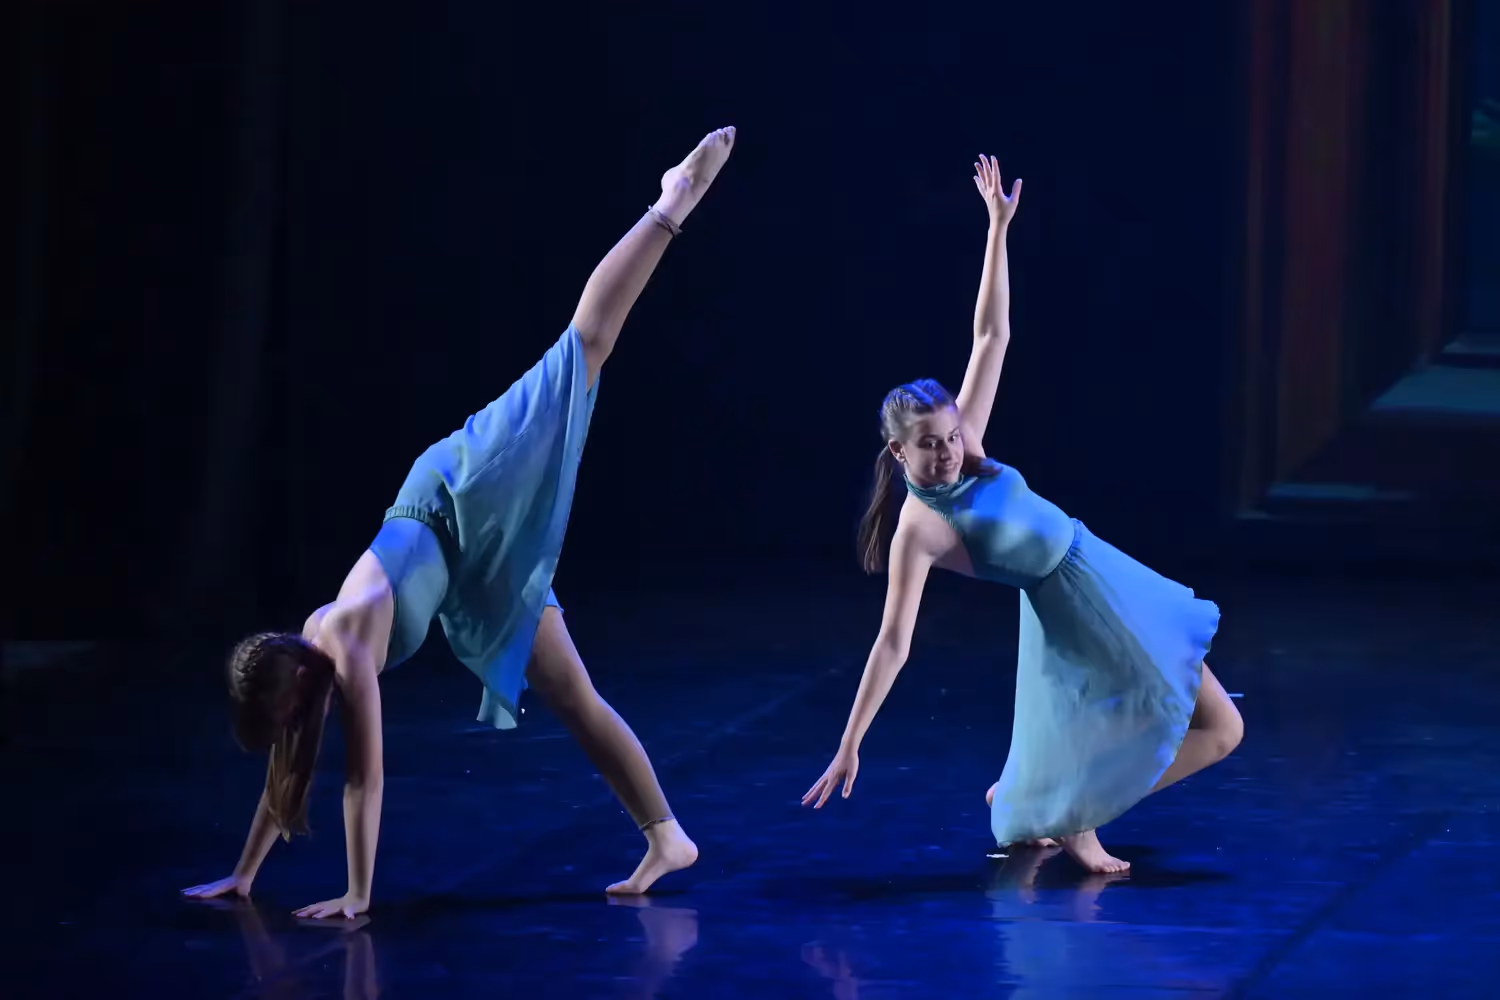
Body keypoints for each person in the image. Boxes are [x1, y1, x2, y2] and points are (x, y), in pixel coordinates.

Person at [182, 126, 737, 918]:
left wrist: (357, 894)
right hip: (475, 571)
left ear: (295, 682)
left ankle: (670, 205)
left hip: (460, 493)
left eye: (283, 717)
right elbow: (288, 768)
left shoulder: (344, 644)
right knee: (571, 693)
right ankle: (667, 836)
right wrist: (244, 876)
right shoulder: (306, 660)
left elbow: (366, 776)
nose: (291, 730)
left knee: (581, 350)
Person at [802, 155, 1242, 873]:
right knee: (1219, 728)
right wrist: (850, 742)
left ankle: (1050, 805)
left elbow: (991, 336)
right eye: (930, 445)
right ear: (898, 450)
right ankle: (1071, 815)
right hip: (1078, 608)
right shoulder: (919, 529)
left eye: (951, 436)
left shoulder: (966, 445)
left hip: (1100, 572)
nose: (950, 452)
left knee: (1216, 725)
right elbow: (892, 643)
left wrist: (997, 228)